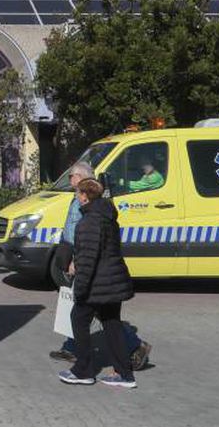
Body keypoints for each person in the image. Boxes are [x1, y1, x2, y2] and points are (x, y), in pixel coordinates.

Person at [50, 162, 151, 369]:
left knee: (95, 311)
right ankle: (72, 346)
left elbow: (86, 235)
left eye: (72, 176)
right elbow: (70, 228)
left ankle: (133, 345)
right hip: (74, 254)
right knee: (79, 306)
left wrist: (74, 260)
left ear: (83, 178)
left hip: (83, 261)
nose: (70, 180)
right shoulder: (77, 198)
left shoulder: (89, 203)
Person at [59, 178, 138, 389]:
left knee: (78, 318)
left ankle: (83, 370)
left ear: (85, 196)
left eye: (77, 193)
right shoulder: (108, 217)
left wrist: (81, 290)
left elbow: (87, 259)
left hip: (97, 284)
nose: (76, 196)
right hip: (113, 281)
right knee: (112, 324)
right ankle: (124, 374)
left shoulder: (88, 222)